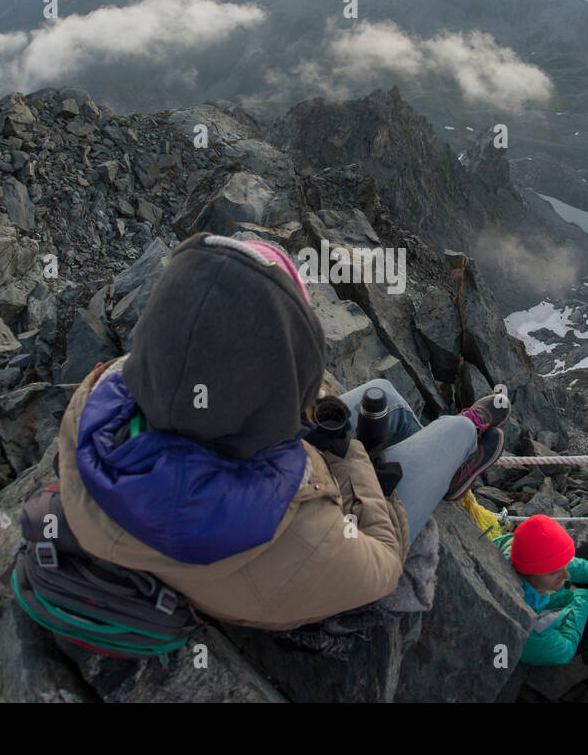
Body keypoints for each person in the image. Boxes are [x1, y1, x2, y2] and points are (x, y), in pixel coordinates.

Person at [55, 232, 508, 629]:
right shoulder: (302, 534)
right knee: (452, 431)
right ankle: (462, 449)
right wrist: (351, 461)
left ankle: (440, 461)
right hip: (300, 532)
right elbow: (383, 566)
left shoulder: (104, 393)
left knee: (381, 393)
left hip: (217, 468)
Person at [492, 513, 588, 665]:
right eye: (554, 572)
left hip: (558, 591)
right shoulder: (527, 623)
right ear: (528, 573)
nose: (566, 574)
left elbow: (555, 559)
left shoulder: (514, 549)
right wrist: (579, 596)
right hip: (568, 629)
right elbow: (565, 651)